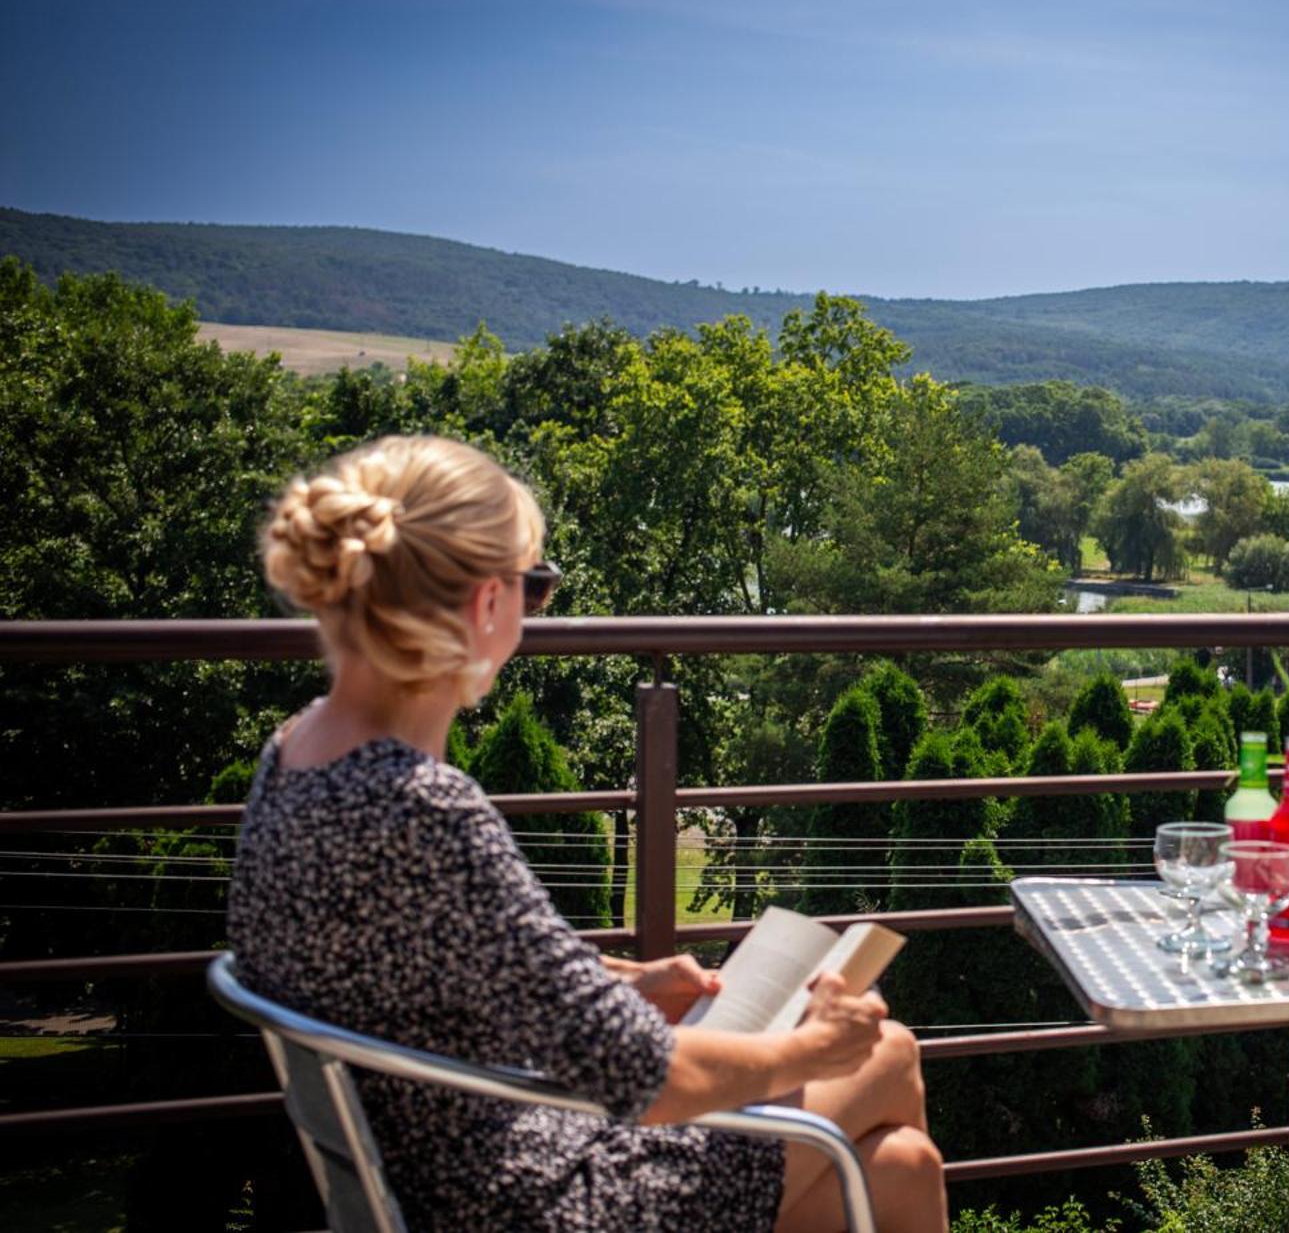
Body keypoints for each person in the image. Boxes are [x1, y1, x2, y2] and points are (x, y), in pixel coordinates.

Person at [227, 435, 943, 1233]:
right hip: (531, 1200)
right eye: (536, 588)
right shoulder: (423, 810)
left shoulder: (293, 756)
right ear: (484, 603)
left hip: (448, 1175)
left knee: (902, 1169)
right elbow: (653, 1079)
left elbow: (437, 962)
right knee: (885, 1052)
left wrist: (617, 981)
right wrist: (814, 1048)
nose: (534, 615)